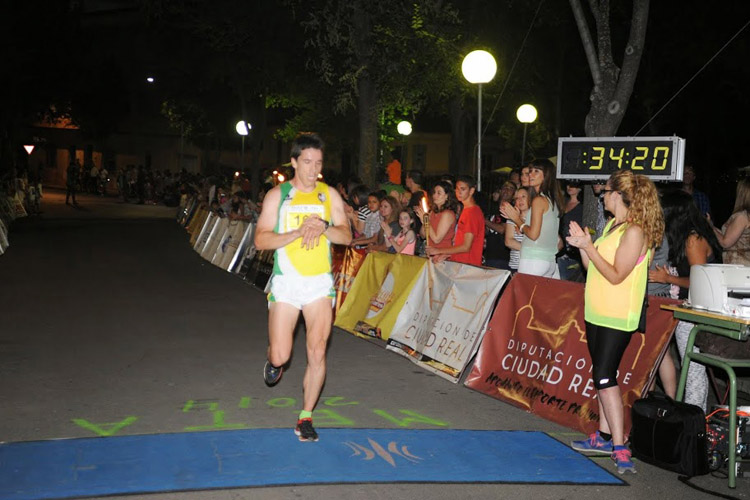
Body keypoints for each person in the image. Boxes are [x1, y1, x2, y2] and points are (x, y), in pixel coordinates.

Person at [253, 133, 352, 442]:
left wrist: (323, 227)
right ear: (294, 162)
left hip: (319, 284)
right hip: (286, 283)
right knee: (282, 354)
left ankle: (305, 416)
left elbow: (347, 236)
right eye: (307, 162)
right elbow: (260, 240)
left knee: (317, 350)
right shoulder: (278, 196)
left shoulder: (329, 196)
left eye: (318, 163)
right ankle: (274, 361)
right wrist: (296, 232)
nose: (313, 169)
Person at [567, 170, 664, 474]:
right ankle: (605, 436)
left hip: (617, 312)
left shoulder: (634, 231)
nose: (602, 196)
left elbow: (616, 275)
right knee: (602, 374)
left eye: (606, 191)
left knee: (605, 376)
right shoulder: (612, 225)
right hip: (597, 309)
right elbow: (593, 268)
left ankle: (620, 445)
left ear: (620, 195)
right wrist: (584, 246)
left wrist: (590, 247)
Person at [648, 190, 721, 412]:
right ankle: (689, 416)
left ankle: (693, 419)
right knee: (688, 364)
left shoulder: (693, 239)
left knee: (693, 368)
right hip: (689, 306)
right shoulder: (686, 236)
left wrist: (667, 278)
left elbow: (700, 281)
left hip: (698, 309)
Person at [500, 158, 563, 278]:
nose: (531, 175)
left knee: (523, 296)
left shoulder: (539, 200)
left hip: (533, 261)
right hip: (548, 261)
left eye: (536, 171)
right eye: (531, 171)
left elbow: (534, 235)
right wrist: (521, 223)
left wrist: (516, 219)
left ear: (546, 175)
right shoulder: (552, 200)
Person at [426, 175, 485, 266]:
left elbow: (466, 246)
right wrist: (446, 254)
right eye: (457, 189)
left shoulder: (472, 212)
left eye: (463, 189)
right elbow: (459, 242)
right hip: (459, 263)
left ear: (471, 191)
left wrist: (439, 250)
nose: (459, 192)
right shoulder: (466, 210)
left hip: (468, 265)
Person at [711, 177, 750, 265]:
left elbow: (725, 243)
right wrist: (712, 226)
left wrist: (711, 227)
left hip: (738, 265)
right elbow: (731, 237)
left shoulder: (742, 216)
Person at [414, 180, 458, 253]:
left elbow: (436, 239)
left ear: (447, 196)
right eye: (434, 192)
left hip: (442, 255)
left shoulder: (448, 214)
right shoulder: (432, 212)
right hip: (431, 253)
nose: (434, 196)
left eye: (439, 193)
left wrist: (426, 221)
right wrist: (423, 220)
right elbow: (423, 235)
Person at [484, 181, 515, 270]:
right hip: (489, 254)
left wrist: (483, 220)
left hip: (503, 257)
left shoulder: (511, 210)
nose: (507, 190)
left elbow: (502, 229)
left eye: (510, 188)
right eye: (505, 187)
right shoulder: (492, 207)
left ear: (513, 195)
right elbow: (487, 230)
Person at [557, 181, 584, 281]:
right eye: (568, 184)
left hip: (572, 251)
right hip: (558, 248)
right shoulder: (562, 203)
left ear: (580, 188)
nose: (569, 187)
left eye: (573, 185)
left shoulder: (583, 206)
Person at [505, 187, 530, 273]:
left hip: (533, 265)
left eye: (523, 196)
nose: (520, 200)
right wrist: (534, 250)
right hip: (516, 266)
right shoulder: (511, 218)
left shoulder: (537, 218)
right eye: (517, 198)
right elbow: (509, 241)